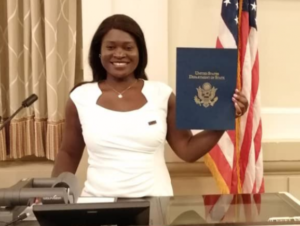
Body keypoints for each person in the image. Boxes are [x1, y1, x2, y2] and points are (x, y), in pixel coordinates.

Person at [51, 14, 248, 198]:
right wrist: (51, 195)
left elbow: (187, 150)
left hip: (155, 206)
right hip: (98, 204)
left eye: (128, 47)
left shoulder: (161, 94)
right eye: (111, 47)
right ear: (99, 52)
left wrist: (226, 116)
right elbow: (68, 153)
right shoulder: (81, 97)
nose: (119, 54)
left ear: (140, 52)